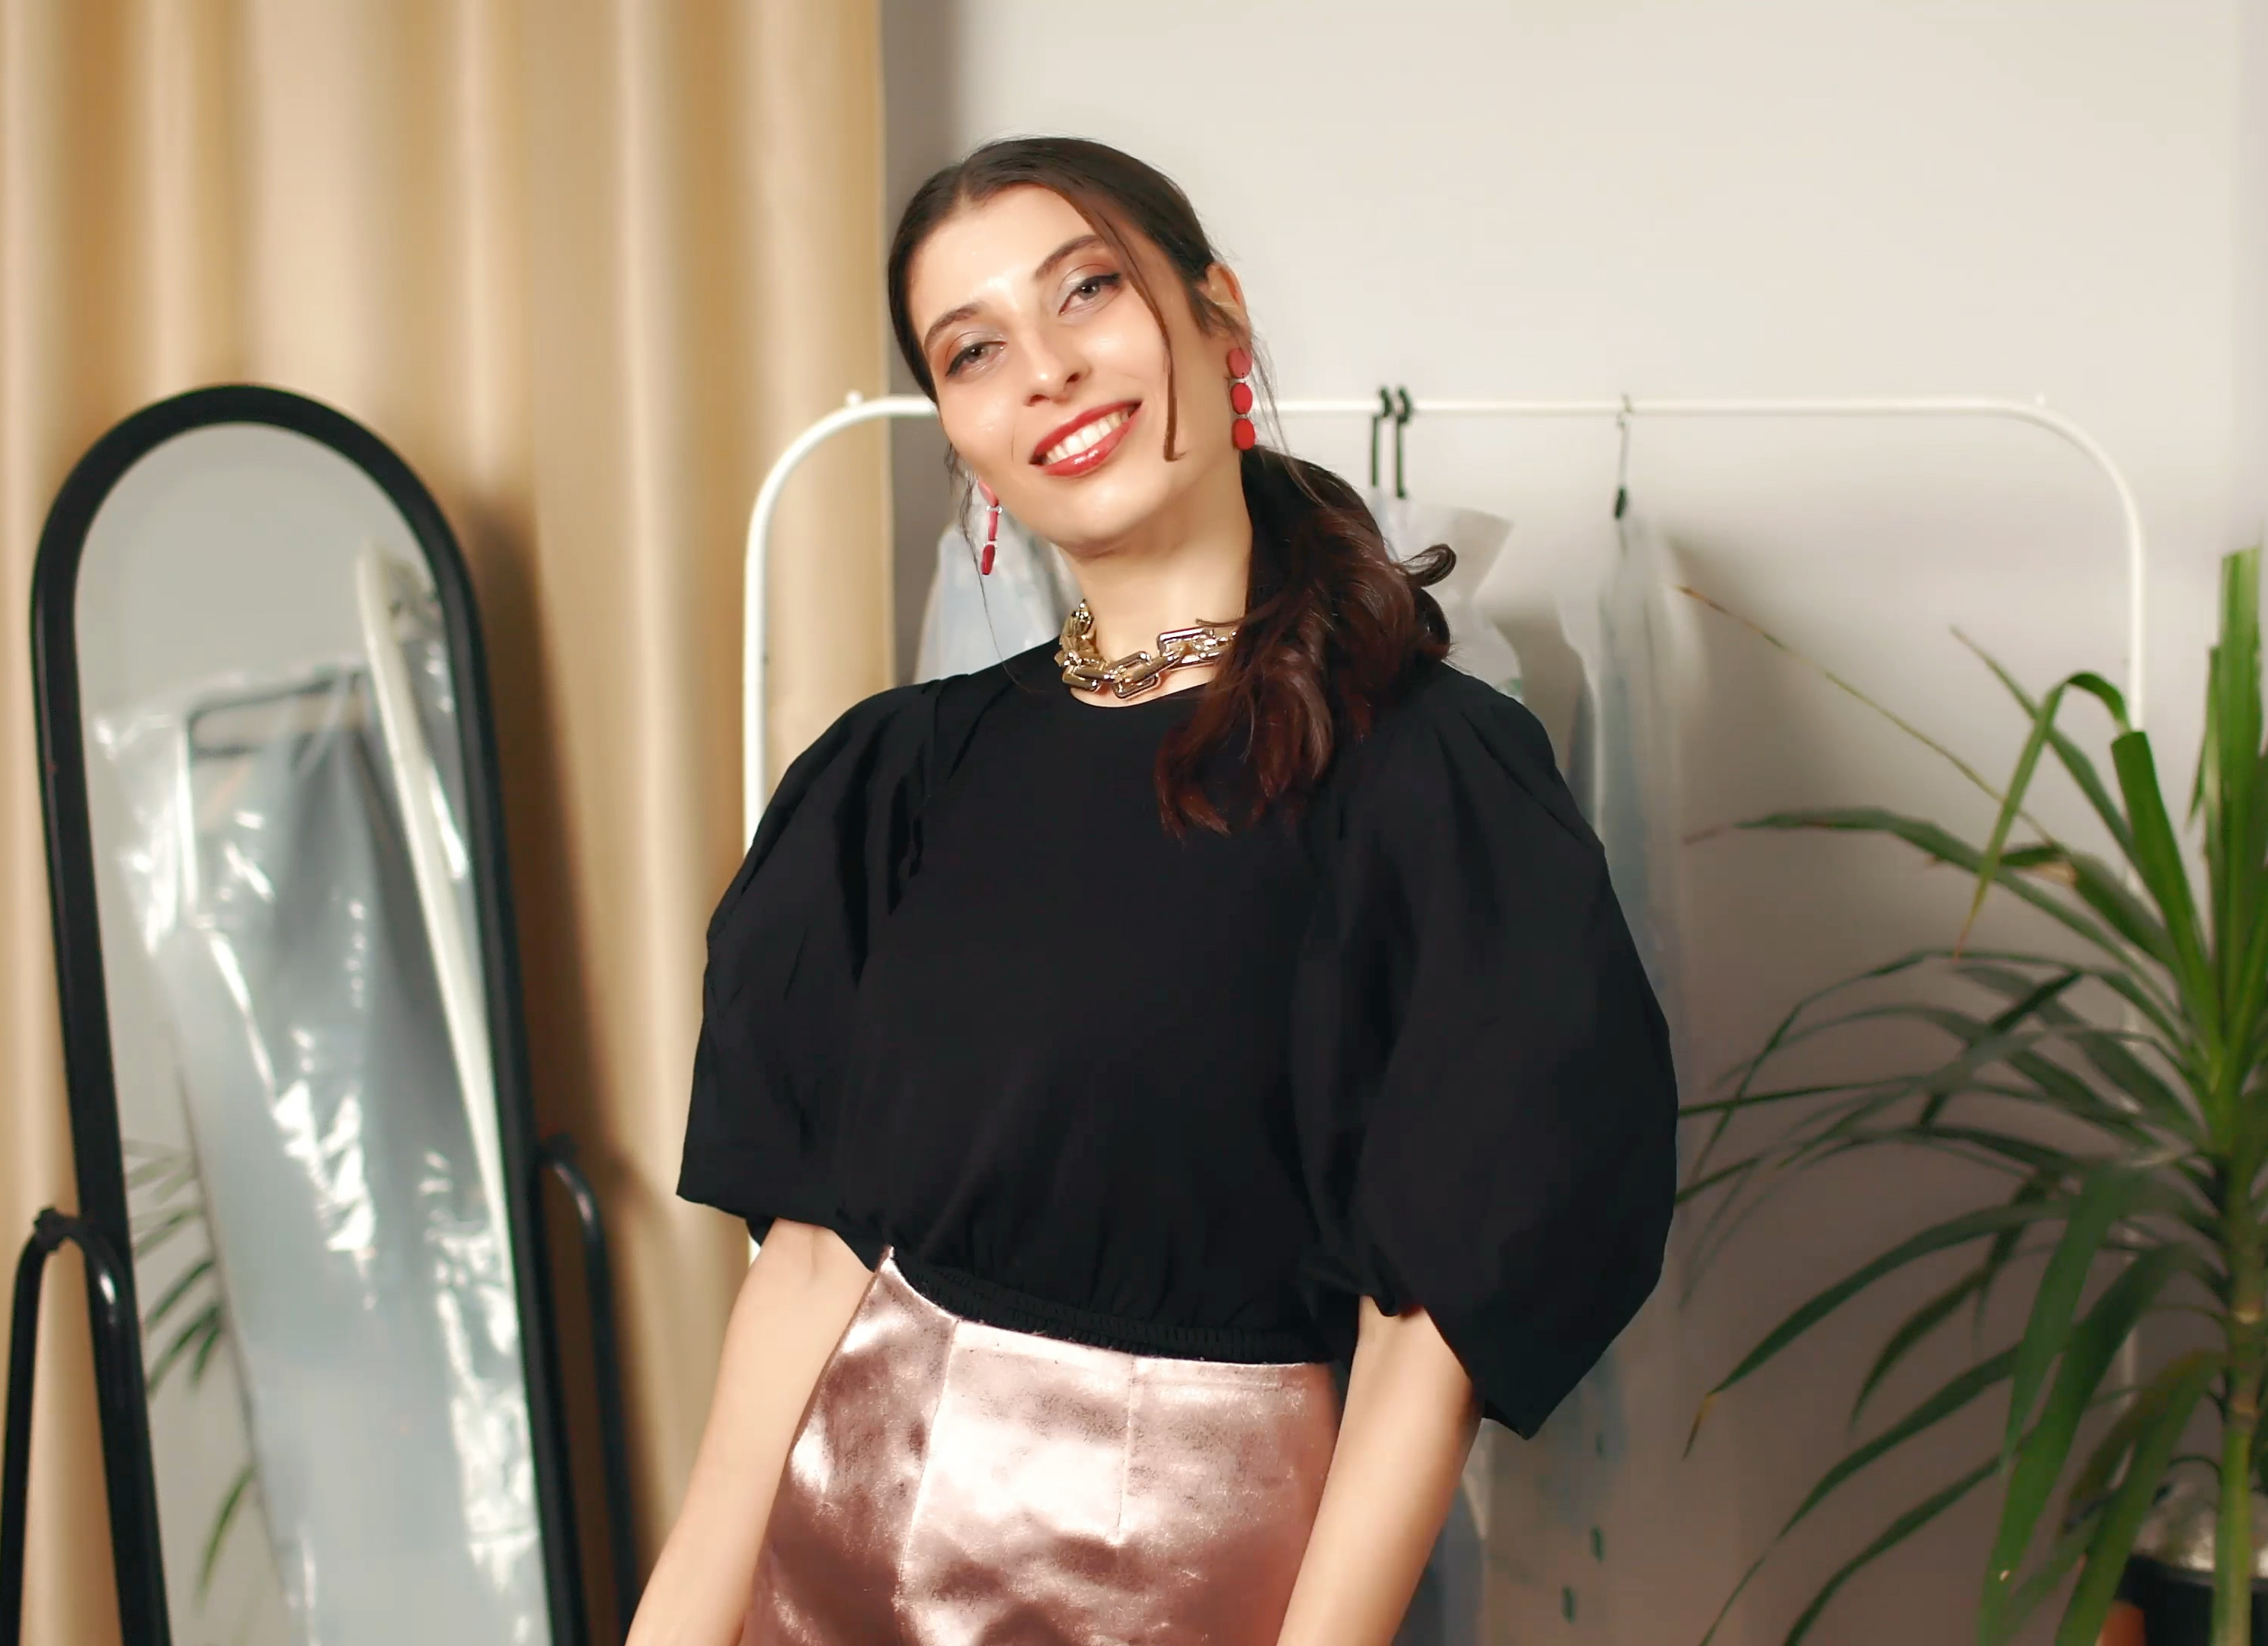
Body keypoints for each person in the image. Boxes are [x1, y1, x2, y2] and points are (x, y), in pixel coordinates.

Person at [625, 136, 1675, 1646]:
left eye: (1087, 293)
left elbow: (1428, 1330)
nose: (1045, 370)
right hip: (835, 1556)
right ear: (959, 440)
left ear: (1216, 315)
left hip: (1200, 1578)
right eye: (974, 349)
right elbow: (807, 1267)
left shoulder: (1426, 774)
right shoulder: (895, 776)